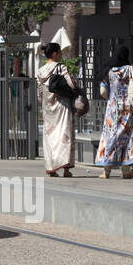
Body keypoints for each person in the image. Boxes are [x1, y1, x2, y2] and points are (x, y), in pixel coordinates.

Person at [96, 45, 133, 178]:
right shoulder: (131, 69)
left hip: (113, 110)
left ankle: (106, 170)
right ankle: (126, 170)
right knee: (128, 137)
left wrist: (112, 98)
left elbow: (103, 92)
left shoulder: (109, 72)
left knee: (111, 136)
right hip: (129, 109)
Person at [38, 43, 76, 177]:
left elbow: (40, 91)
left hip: (47, 107)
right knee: (64, 135)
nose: (61, 55)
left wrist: (42, 102)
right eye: (59, 52)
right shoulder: (61, 67)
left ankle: (51, 168)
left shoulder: (41, 70)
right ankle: (66, 168)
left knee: (49, 136)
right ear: (54, 54)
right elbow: (71, 84)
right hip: (62, 105)